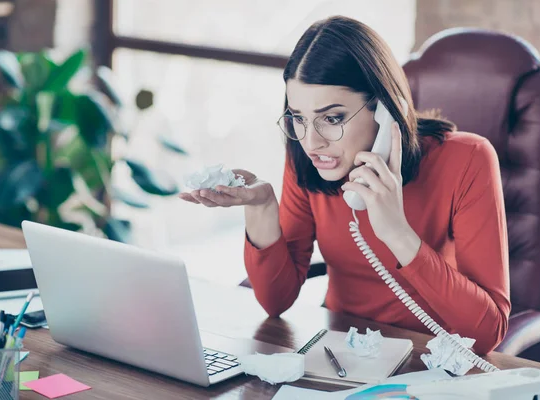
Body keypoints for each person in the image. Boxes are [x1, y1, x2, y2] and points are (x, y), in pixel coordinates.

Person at [179, 16, 510, 354]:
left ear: (384, 108)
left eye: (332, 118)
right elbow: (275, 302)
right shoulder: (306, 159)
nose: (312, 142)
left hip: (431, 360)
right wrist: (261, 208)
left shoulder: (468, 159)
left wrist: (397, 232)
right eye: (299, 118)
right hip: (340, 354)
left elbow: (486, 333)